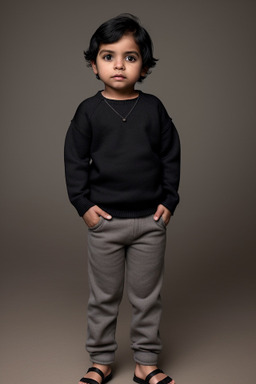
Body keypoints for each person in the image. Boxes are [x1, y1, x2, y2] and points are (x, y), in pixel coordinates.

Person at [64, 13, 180, 384]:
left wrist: (169, 201)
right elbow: (74, 160)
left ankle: (146, 363)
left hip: (149, 222)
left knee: (147, 299)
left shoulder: (153, 108)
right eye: (107, 56)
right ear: (94, 65)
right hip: (106, 223)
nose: (118, 64)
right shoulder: (89, 110)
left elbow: (170, 155)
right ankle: (100, 361)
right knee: (103, 298)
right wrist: (84, 207)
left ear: (143, 66)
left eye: (130, 57)